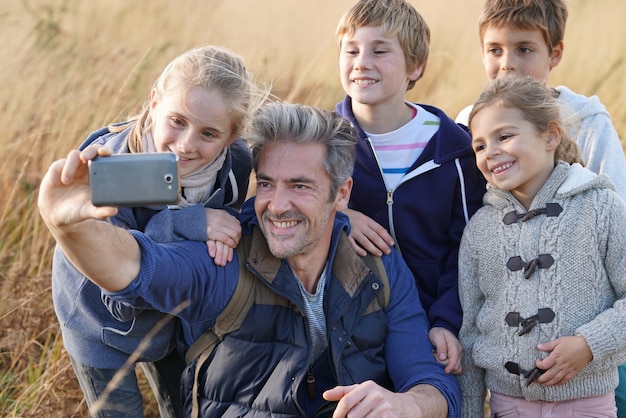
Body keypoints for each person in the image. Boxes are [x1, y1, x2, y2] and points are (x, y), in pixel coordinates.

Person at [38, 102, 461, 417]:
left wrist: (405, 406)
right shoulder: (223, 260)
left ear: (342, 194)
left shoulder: (378, 267)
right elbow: (134, 268)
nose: (276, 206)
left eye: (300, 186)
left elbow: (433, 383)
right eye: (267, 184)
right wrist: (70, 228)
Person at [52, 45, 266, 417]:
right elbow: (120, 290)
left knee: (185, 408)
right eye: (178, 121)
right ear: (154, 103)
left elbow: (211, 249)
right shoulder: (111, 168)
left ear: (232, 137)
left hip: (170, 321)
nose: (186, 145)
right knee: (120, 411)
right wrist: (188, 223)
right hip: (97, 324)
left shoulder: (236, 166)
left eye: (209, 133)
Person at [458, 76, 626, 418]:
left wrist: (589, 344)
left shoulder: (602, 207)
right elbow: (471, 334)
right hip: (508, 407)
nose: (490, 152)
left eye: (504, 136)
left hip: (588, 406)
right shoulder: (479, 229)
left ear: (550, 135)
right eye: (479, 145)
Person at [334, 0, 486, 375]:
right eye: (351, 50)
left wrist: (446, 321)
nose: (362, 62)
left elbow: (467, 250)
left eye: (380, 50)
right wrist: (337, 215)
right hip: (348, 322)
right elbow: (286, 209)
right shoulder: (324, 143)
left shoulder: (452, 150)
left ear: (415, 66)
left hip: (431, 324)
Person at [455, 0, 626, 201]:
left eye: (524, 49)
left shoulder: (588, 122)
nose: (507, 64)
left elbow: (617, 203)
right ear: (483, 54)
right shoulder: (469, 121)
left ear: (554, 54)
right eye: (495, 50)